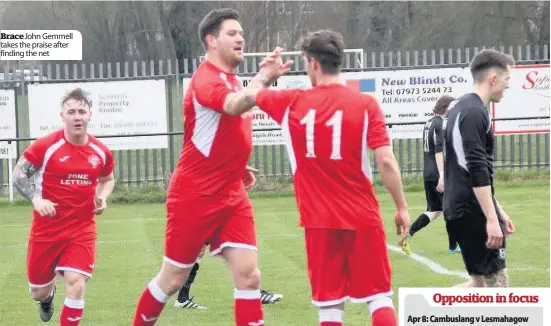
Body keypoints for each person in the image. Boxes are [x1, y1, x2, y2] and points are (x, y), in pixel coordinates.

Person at [236, 29, 410, 326]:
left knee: (329, 305)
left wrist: (266, 74)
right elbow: (386, 161)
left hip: (318, 221)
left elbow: (247, 95)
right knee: (379, 297)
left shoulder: (291, 102)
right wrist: (402, 207)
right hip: (362, 216)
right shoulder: (366, 105)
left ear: (312, 63)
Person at [131, 8, 292, 326]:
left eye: (241, 33)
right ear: (211, 41)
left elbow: (224, 133)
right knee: (173, 279)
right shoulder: (205, 78)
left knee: (249, 276)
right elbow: (233, 107)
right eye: (232, 33)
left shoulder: (231, 80)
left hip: (231, 193)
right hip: (195, 195)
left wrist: (238, 167)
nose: (241, 38)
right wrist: (261, 80)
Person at [12, 88, 115, 325]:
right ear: (62, 116)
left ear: (90, 115)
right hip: (45, 231)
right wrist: (36, 200)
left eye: (81, 111)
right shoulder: (45, 146)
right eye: (71, 112)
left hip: (82, 229)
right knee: (38, 291)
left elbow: (108, 179)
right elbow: (18, 175)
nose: (77, 116)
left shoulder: (100, 152)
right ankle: (47, 298)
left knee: (76, 284)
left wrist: (102, 196)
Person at [443, 49, 516, 288]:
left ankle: (425, 310)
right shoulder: (475, 112)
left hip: (459, 208)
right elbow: (476, 168)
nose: (508, 86)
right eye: (506, 79)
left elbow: (466, 164)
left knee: (478, 286)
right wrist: (491, 218)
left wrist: (499, 210)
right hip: (472, 211)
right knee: (499, 290)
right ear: (492, 78)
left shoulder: (459, 106)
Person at [401, 95, 460, 255]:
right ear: (446, 108)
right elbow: (438, 151)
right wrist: (442, 175)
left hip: (428, 172)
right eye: (452, 108)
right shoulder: (439, 123)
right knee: (450, 209)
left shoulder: (429, 122)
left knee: (434, 211)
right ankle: (453, 246)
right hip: (437, 172)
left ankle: (409, 234)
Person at [174, 243, 283, 309]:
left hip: (214, 208)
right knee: (237, 243)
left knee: (199, 250)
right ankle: (253, 293)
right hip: (212, 209)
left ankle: (182, 299)